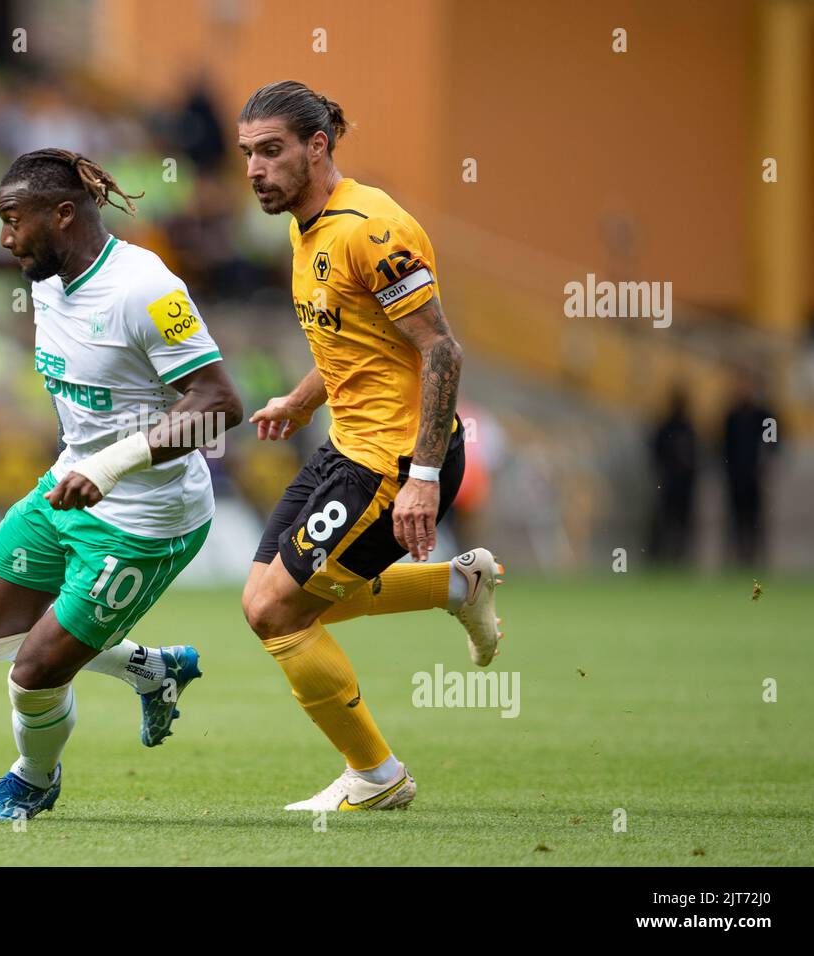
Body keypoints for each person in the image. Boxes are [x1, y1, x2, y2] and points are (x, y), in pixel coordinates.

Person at [237, 81, 504, 812]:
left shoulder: (373, 229)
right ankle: (457, 586)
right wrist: (300, 399)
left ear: (318, 146)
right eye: (247, 155)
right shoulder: (304, 225)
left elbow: (442, 351)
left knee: (274, 610)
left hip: (394, 462)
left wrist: (422, 479)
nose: (255, 169)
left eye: (271, 151)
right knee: (274, 599)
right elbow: (355, 342)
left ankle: (378, 777)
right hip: (344, 445)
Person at [0, 149, 243, 821]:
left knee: (31, 674)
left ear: (62, 214)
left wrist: (111, 465)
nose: (4, 238)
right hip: (68, 487)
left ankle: (33, 780)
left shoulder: (147, 288)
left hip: (146, 520)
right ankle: (151, 668)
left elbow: (221, 404)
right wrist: (81, 462)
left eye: (11, 220)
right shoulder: (46, 277)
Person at [722, 369, 777, 566]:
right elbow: (723, 447)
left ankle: (755, 560)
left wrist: (767, 462)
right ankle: (736, 560)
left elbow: (773, 441)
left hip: (755, 476)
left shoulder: (763, 415)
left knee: (755, 521)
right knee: (735, 519)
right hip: (736, 477)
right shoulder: (732, 415)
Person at [648, 386, 699, 564]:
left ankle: (676, 559)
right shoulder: (672, 427)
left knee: (679, 524)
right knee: (666, 523)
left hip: (680, 484)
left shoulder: (685, 428)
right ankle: (661, 559)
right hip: (671, 483)